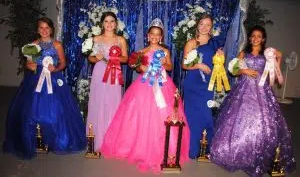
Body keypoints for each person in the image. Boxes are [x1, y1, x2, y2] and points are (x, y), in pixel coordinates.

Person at [101, 18, 189, 173]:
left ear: (161, 37)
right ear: (148, 36)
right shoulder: (141, 52)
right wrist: (141, 66)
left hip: (162, 84)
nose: (154, 37)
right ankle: (139, 147)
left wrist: (162, 63)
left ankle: (165, 147)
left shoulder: (165, 51)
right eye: (152, 34)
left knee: (164, 113)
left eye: (158, 35)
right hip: (145, 85)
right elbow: (137, 67)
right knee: (140, 114)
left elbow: (170, 67)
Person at [210, 26, 296, 176]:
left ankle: (259, 153)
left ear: (263, 39)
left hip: (262, 93)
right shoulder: (244, 53)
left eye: (259, 36)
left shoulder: (267, 55)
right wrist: (244, 70)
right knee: (237, 120)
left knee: (263, 122)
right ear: (250, 38)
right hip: (243, 91)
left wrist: (279, 57)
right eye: (253, 36)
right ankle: (237, 153)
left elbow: (273, 76)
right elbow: (234, 70)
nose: (256, 38)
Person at [3, 17, 86, 159]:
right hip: (36, 80)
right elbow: (28, 64)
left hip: (53, 79)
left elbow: (63, 63)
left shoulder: (57, 45)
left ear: (51, 29)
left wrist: (55, 68)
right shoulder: (33, 45)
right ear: (37, 30)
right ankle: (36, 139)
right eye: (41, 28)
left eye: (47, 27)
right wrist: (31, 65)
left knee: (57, 109)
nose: (44, 30)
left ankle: (56, 139)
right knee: (32, 109)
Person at [182, 14, 225, 159]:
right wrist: (198, 65)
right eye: (202, 24)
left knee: (207, 115)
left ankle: (205, 149)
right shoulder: (192, 43)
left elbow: (218, 65)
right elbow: (184, 65)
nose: (204, 27)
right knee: (192, 116)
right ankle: (192, 149)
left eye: (208, 25)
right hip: (193, 84)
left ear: (211, 28)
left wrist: (220, 57)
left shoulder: (214, 44)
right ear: (197, 26)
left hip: (208, 83)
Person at [86, 11, 128, 152]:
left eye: (112, 21)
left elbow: (125, 59)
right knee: (98, 101)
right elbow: (90, 58)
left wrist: (114, 58)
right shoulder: (96, 38)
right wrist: (96, 58)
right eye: (106, 21)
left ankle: (112, 138)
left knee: (113, 101)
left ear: (116, 24)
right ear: (102, 24)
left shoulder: (120, 40)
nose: (109, 24)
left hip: (114, 73)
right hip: (99, 72)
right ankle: (96, 137)